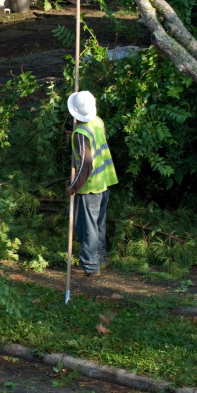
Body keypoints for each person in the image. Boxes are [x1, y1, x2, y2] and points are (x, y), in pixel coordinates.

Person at [66, 91, 118, 277]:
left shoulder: (81, 134)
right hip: (104, 181)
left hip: (90, 187)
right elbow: (94, 147)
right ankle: (100, 258)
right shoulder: (97, 122)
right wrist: (74, 140)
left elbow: (86, 165)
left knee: (87, 227)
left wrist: (74, 186)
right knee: (98, 223)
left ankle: (90, 265)